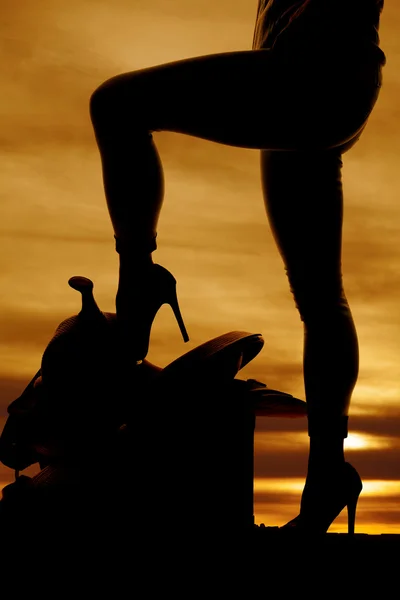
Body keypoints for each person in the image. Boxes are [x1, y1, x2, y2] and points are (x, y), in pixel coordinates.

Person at [88, 1, 386, 534]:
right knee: (320, 298)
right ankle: (327, 476)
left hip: (312, 71)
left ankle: (137, 282)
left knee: (118, 105)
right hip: (321, 77)